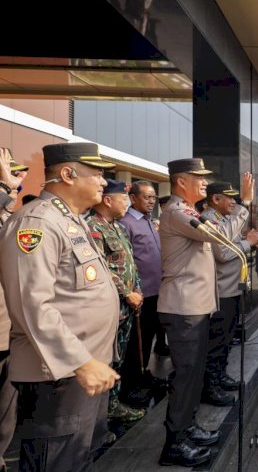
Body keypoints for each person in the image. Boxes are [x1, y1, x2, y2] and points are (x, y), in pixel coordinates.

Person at [0, 143, 120, 471]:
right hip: (59, 374)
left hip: (82, 371)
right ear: (67, 174)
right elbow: (32, 305)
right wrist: (82, 362)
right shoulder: (36, 222)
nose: (103, 182)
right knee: (56, 461)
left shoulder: (70, 220)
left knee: (75, 459)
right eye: (96, 173)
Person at [155, 158, 222, 466]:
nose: (205, 182)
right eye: (199, 178)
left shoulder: (189, 211)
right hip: (183, 309)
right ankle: (175, 442)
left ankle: (187, 426)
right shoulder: (178, 212)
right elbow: (216, 236)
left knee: (193, 375)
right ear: (181, 182)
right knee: (185, 376)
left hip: (194, 306)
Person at [200, 177, 258, 407]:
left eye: (235, 198)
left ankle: (220, 376)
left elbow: (232, 241)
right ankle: (211, 386)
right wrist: (247, 242)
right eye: (229, 198)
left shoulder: (224, 219)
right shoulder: (209, 219)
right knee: (217, 340)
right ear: (215, 199)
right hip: (220, 291)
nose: (234, 202)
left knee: (227, 338)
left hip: (231, 290)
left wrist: (249, 240)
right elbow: (224, 253)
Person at [86, 179, 146, 423]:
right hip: (110, 306)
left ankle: (111, 405)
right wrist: (125, 293)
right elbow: (99, 267)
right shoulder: (92, 227)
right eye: (124, 199)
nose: (127, 204)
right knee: (105, 358)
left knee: (118, 357)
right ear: (108, 200)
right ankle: (99, 414)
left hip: (128, 306)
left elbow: (129, 263)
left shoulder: (118, 227)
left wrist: (138, 290)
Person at [119, 180, 167, 408]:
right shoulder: (126, 223)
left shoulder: (149, 222)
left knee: (148, 338)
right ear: (133, 198)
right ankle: (132, 384)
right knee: (136, 342)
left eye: (153, 198)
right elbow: (127, 262)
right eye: (147, 197)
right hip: (140, 294)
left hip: (156, 292)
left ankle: (143, 372)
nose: (151, 201)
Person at [0, 148, 26, 471]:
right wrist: (7, 188)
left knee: (7, 407)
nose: (17, 184)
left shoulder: (9, 217)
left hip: (9, 329)